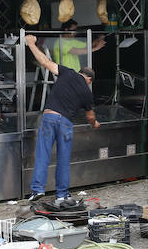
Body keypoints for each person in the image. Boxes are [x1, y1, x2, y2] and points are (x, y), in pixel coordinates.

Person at [25, 34, 100, 206]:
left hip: (49, 117)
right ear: (89, 80)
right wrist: (94, 123)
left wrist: (31, 44)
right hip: (66, 123)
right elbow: (90, 116)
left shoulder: (67, 72)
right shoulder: (87, 92)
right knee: (63, 159)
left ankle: (38, 189)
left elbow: (45, 62)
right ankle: (61, 195)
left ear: (80, 72)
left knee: (43, 154)